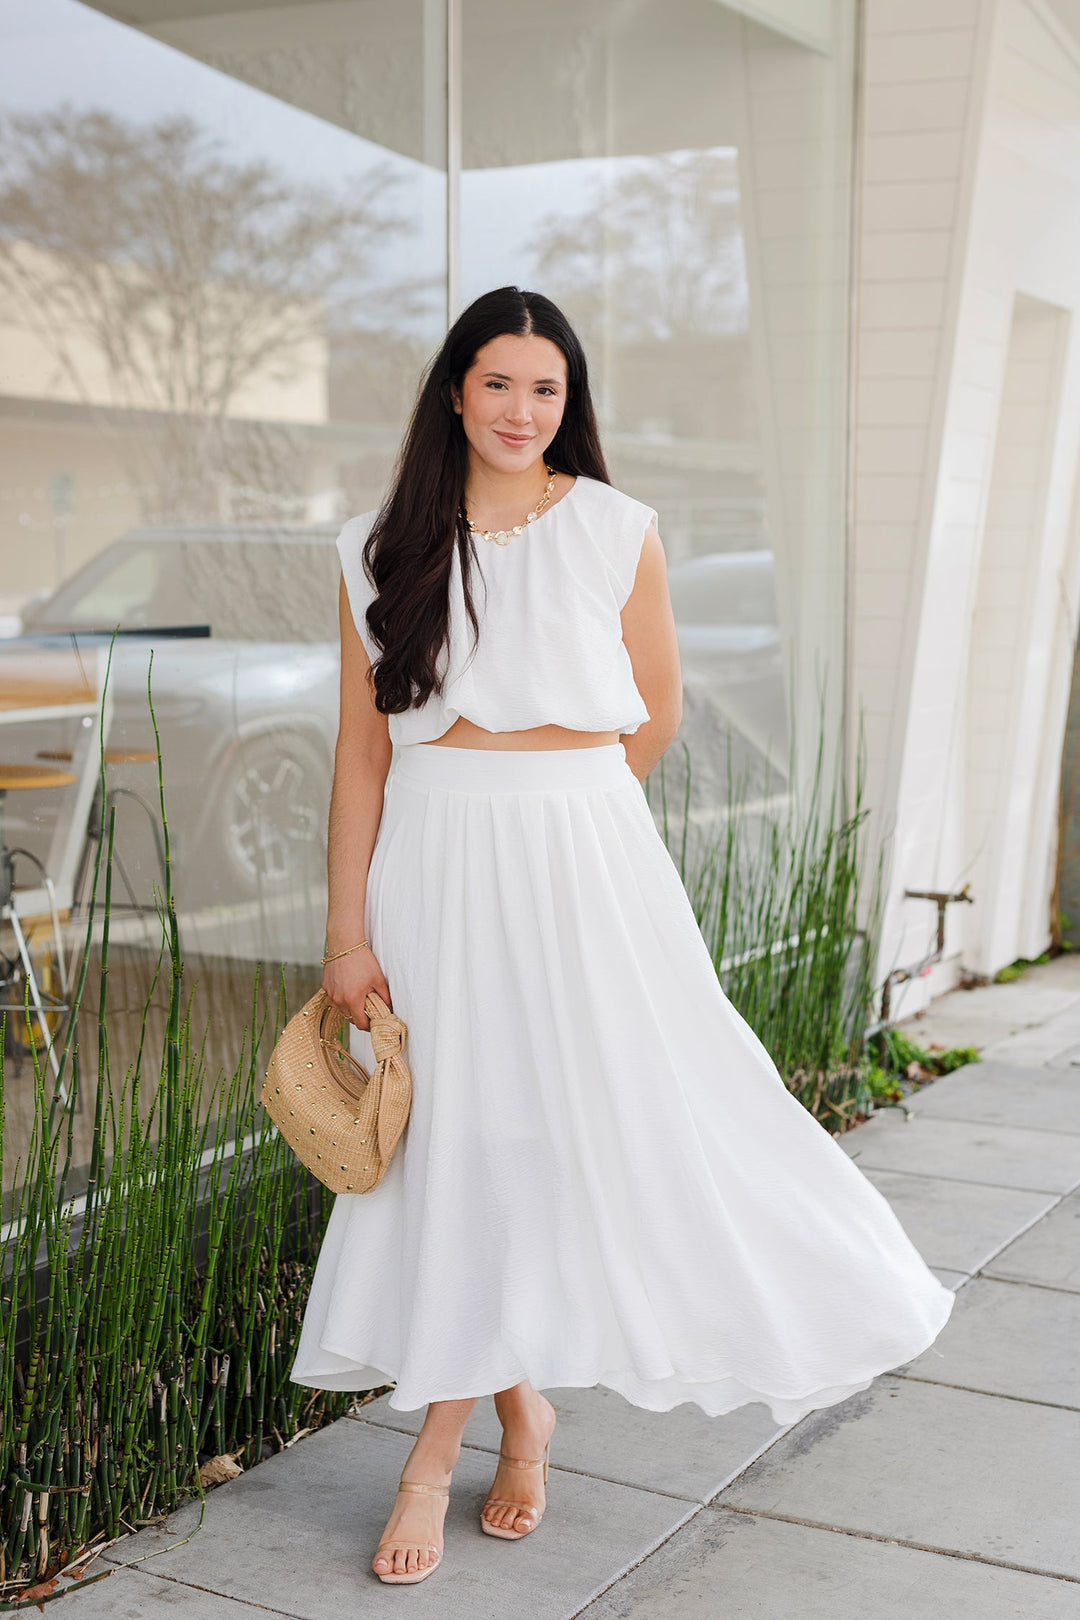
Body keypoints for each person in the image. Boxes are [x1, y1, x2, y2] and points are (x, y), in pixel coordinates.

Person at [289, 286, 954, 1586]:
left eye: (546, 389)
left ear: (569, 403)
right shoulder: (377, 548)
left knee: (585, 1119)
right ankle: (513, 1413)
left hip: (583, 852)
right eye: (496, 384)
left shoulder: (611, 528)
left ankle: (437, 1449)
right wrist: (343, 933)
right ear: (453, 395)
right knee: (462, 1136)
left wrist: (568, 823)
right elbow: (362, 757)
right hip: (435, 855)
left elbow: (654, 713)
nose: (521, 411)